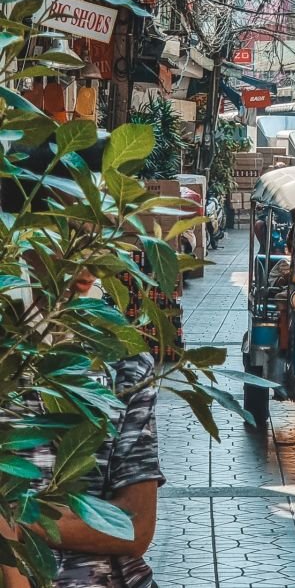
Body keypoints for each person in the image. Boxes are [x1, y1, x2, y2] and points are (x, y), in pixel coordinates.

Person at [0, 143, 163, 588]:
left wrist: (18, 518)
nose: (88, 256)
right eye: (69, 232)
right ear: (22, 232)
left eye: (100, 234)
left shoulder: (125, 364)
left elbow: (134, 526)